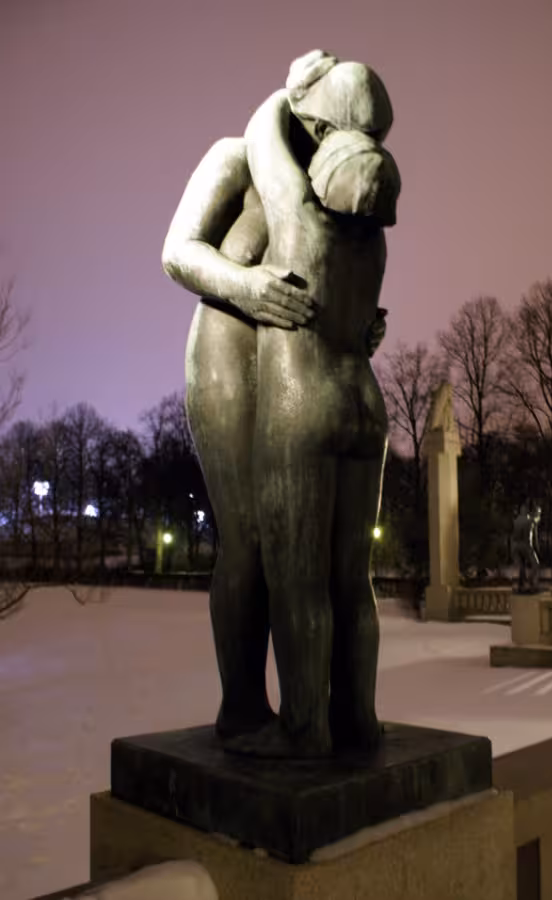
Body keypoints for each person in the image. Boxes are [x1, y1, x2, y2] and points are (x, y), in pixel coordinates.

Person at [161, 51, 394, 744]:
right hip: (229, 354)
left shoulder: (337, 185)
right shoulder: (237, 157)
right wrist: (246, 286)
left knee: (315, 558)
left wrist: (359, 322)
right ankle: (241, 706)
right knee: (251, 539)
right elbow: (178, 250)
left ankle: (323, 717)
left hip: (303, 371)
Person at [225, 93, 401, 757]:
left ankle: (303, 729)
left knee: (299, 581)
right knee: (354, 584)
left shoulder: (300, 217)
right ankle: (358, 720)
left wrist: (294, 96)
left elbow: (260, 135)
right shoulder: (375, 243)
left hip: (306, 403)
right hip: (367, 406)